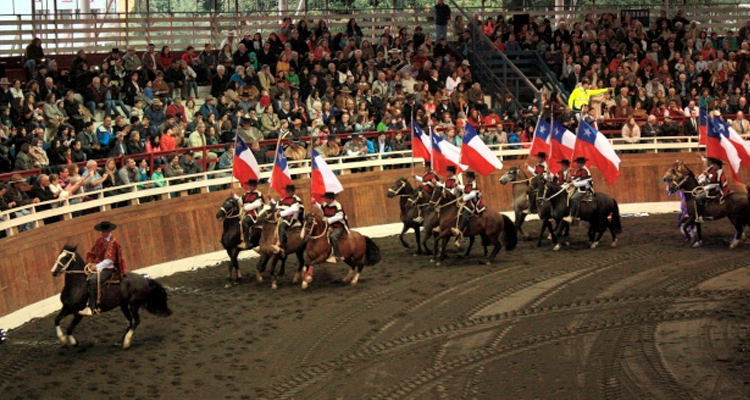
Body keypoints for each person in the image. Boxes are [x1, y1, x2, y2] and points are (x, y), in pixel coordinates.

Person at [79, 221, 127, 316]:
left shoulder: (113, 242)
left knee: (93, 280)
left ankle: (92, 307)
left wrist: (96, 266)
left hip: (108, 268)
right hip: (98, 265)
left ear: (109, 231)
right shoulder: (99, 241)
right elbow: (92, 252)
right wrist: (90, 263)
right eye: (102, 231)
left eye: (104, 231)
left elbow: (109, 260)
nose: (102, 233)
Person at [313, 191, 347, 263]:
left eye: (326, 198)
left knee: (333, 236)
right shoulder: (325, 204)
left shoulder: (338, 205)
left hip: (338, 226)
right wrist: (314, 203)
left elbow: (340, 216)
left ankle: (337, 256)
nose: (325, 200)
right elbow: (321, 208)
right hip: (328, 225)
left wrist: (329, 220)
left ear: (331, 199)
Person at [272, 184, 304, 255]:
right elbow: (277, 205)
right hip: (280, 217)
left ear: (293, 191)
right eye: (287, 191)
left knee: (282, 226)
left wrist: (281, 213)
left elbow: (295, 209)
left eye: (289, 191)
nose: (288, 192)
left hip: (291, 218)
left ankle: (282, 246)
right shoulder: (282, 199)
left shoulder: (296, 200)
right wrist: (276, 210)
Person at [452, 170, 485, 237]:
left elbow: (473, 194)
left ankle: (460, 230)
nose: (466, 178)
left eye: (467, 177)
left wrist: (464, 198)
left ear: (471, 178)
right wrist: (457, 186)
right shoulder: (468, 184)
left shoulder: (474, 185)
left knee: (465, 214)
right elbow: (464, 188)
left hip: (473, 204)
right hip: (467, 202)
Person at [695, 158, 728, 223]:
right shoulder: (717, 172)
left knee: (698, 198)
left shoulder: (719, 173)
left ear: (718, 166)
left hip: (716, 191)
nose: (713, 166)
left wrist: (704, 188)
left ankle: (703, 215)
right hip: (712, 188)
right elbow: (711, 181)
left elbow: (715, 184)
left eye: (714, 165)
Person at [235, 179, 265, 249]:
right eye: (249, 186)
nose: (249, 187)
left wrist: (246, 208)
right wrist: (234, 196)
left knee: (245, 222)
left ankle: (246, 242)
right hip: (246, 213)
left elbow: (257, 204)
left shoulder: (258, 194)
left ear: (255, 186)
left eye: (251, 186)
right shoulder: (246, 194)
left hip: (255, 214)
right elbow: (240, 201)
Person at [563, 157, 593, 224]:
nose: (578, 164)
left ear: (583, 163)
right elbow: (576, 178)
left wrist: (573, 184)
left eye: (580, 163)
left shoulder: (585, 171)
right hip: (577, 188)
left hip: (584, 189)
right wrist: (570, 177)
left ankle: (573, 216)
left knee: (573, 198)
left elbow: (585, 182)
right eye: (578, 162)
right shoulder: (578, 171)